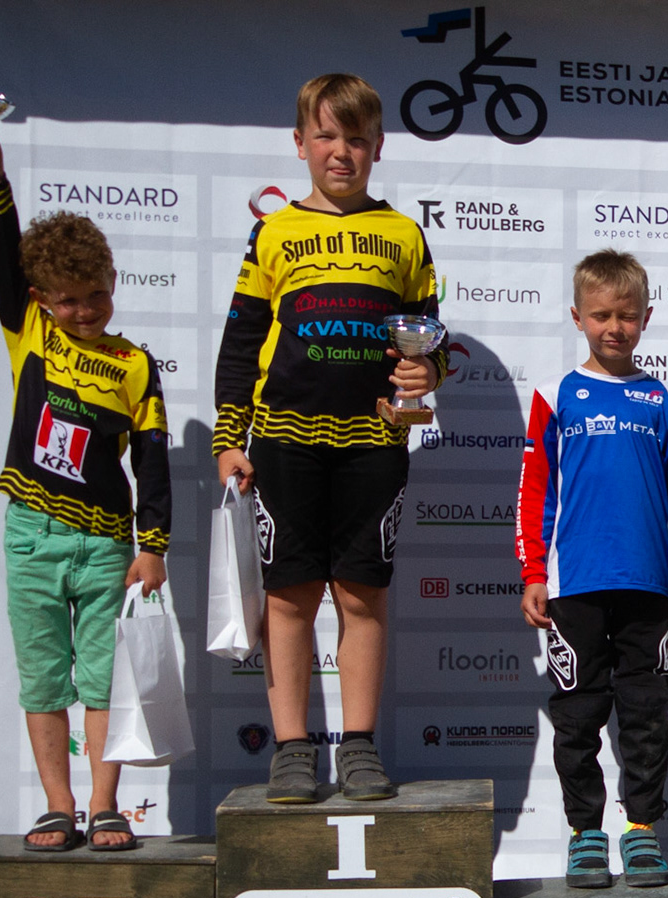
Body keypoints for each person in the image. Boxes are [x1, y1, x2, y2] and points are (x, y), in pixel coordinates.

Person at [0, 106, 170, 851]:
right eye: (68, 299)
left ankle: (105, 806)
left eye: (95, 293)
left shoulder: (135, 364)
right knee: (44, 677)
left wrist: (153, 543)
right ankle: (57, 806)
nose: (84, 310)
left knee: (102, 679)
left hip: (106, 542)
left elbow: (151, 460)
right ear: (41, 300)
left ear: (113, 281)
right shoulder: (30, 331)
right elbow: (1, 245)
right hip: (32, 534)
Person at [213, 74, 444, 804]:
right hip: (284, 438)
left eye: (356, 139)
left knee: (362, 595)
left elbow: (429, 338)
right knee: (288, 597)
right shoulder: (274, 232)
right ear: (300, 144)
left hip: (374, 440)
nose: (341, 152)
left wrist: (426, 371)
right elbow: (241, 343)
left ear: (378, 147)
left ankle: (360, 746)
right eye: (326, 137)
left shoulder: (403, 234)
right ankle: (291, 748)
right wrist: (228, 438)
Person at [516, 249, 668, 890]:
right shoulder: (555, 394)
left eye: (627, 316)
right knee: (577, 716)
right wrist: (534, 571)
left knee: (646, 717)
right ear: (578, 317)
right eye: (601, 315)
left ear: (646, 318)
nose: (614, 327)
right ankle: (585, 834)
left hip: (650, 590)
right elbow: (536, 490)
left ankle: (643, 829)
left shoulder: (664, 399)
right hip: (573, 586)